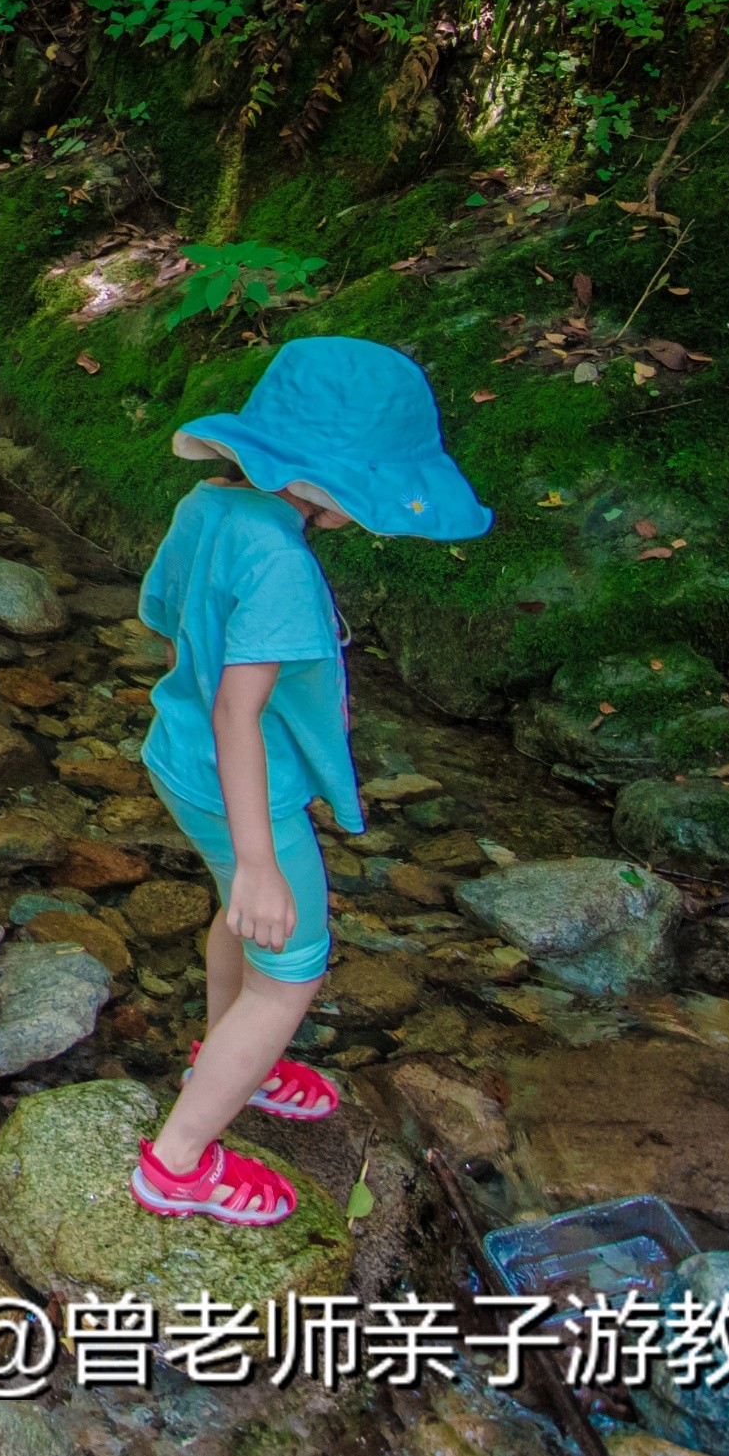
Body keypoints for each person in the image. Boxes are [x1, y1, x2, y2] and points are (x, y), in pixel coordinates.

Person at [130, 335, 487, 1226]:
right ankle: (176, 1164)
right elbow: (237, 712)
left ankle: (224, 1055)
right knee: (289, 968)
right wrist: (258, 857)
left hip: (179, 755)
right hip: (243, 785)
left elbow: (172, 625)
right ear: (326, 481)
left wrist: (241, 864)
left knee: (238, 913)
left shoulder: (208, 507)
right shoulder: (283, 565)